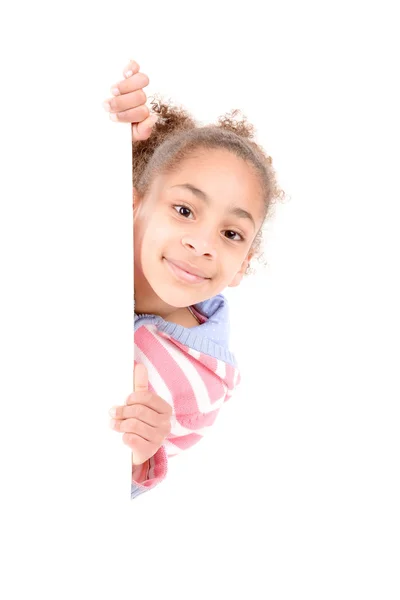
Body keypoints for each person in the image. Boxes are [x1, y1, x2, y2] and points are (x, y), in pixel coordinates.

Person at [103, 60, 284, 499]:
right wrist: (104, 128)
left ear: (243, 263)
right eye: (184, 210)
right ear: (132, 203)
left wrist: (139, 457)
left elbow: (108, 493)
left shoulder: (198, 386)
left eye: (230, 234)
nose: (204, 244)